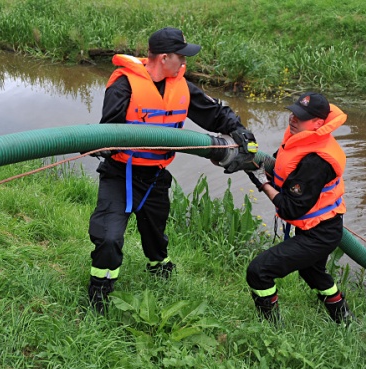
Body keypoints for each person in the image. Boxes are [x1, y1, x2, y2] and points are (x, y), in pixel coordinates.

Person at [87, 27, 258, 314]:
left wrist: (238, 130)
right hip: (121, 174)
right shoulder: (124, 85)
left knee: (155, 234)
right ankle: (100, 292)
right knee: (109, 237)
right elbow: (109, 127)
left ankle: (159, 268)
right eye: (180, 57)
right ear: (164, 58)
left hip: (155, 176)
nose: (184, 62)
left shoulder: (181, 86)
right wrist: (103, 144)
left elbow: (214, 113)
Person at [245, 92, 354, 325]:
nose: (293, 119)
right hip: (317, 225)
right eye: (293, 113)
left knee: (259, 271)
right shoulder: (302, 138)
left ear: (318, 124)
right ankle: (344, 320)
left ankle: (270, 330)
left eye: (300, 117)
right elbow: (279, 168)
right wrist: (250, 159)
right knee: (312, 272)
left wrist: (260, 182)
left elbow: (289, 209)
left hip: (320, 234)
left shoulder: (317, 161)